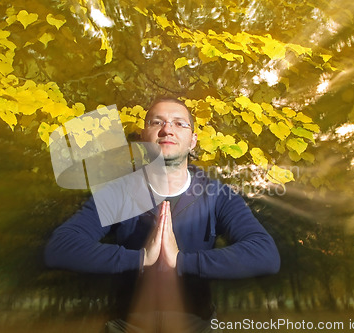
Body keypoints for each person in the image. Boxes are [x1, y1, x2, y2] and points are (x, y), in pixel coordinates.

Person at [44, 97, 280, 332]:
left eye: (179, 123)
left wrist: (181, 262)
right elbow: (60, 247)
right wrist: (141, 259)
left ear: (193, 141)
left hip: (196, 325)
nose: (167, 129)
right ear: (143, 138)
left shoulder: (218, 196)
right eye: (156, 122)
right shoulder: (118, 193)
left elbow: (265, 255)